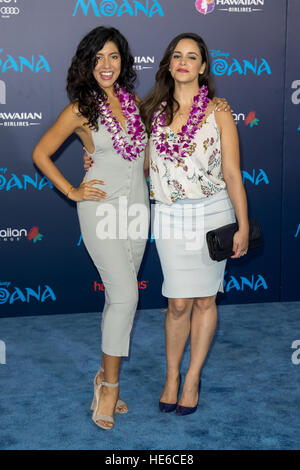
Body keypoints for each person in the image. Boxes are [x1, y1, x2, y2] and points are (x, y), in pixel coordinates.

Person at [32, 26, 150, 430]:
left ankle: (101, 377)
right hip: (100, 208)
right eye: (97, 57)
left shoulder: (133, 103)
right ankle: (111, 387)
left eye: (113, 56)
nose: (106, 65)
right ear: (87, 63)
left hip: (138, 209)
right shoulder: (80, 108)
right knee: (126, 296)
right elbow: (41, 152)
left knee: (118, 297)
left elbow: (142, 158)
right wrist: (71, 190)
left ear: (123, 62)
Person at [140, 32, 249, 416]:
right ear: (169, 64)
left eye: (192, 56)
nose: (183, 61)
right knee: (178, 302)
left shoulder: (218, 111)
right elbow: (133, 162)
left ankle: (192, 378)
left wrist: (243, 225)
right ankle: (171, 374)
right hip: (169, 215)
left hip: (214, 212)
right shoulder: (151, 111)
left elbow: (233, 173)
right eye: (177, 55)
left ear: (203, 67)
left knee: (205, 299)